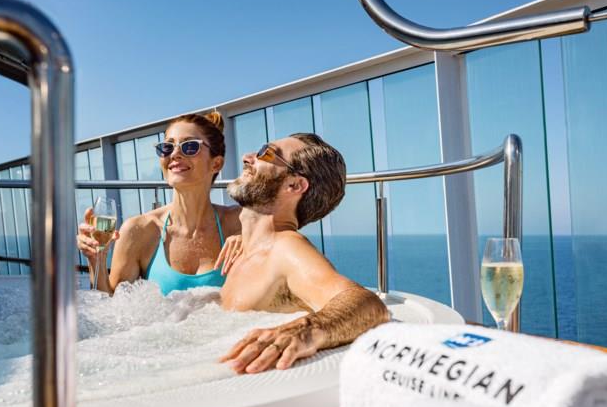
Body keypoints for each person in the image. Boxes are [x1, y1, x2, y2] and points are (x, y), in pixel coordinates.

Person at [219, 133, 390, 374]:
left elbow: (368, 304)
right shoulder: (248, 249)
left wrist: (305, 329)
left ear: (294, 185)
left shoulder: (286, 249)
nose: (247, 157)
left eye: (266, 153)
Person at [76, 112, 242, 294]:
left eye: (190, 146)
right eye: (167, 147)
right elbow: (112, 305)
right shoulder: (139, 231)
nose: (175, 154)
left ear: (216, 164)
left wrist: (256, 240)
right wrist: (97, 260)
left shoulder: (239, 224)